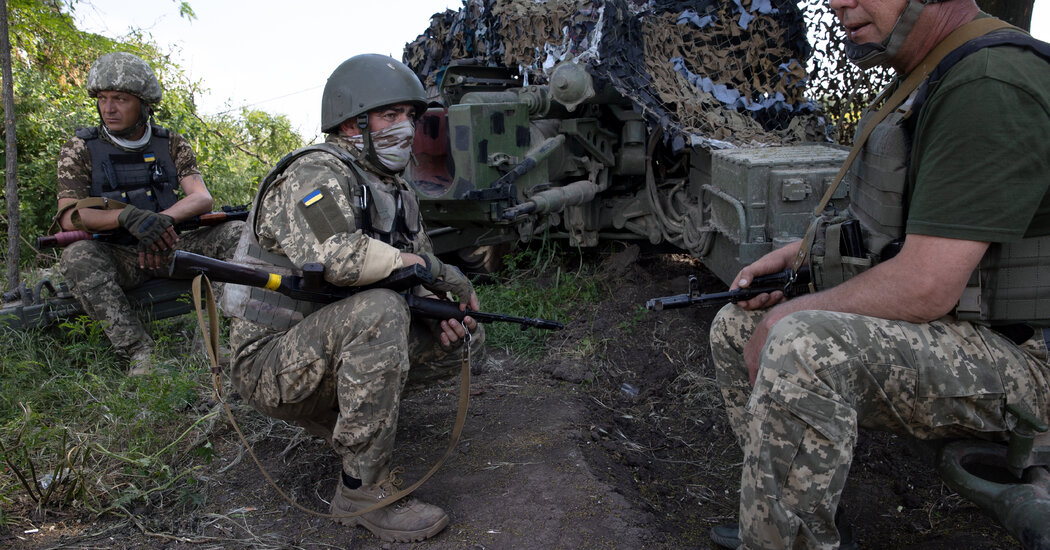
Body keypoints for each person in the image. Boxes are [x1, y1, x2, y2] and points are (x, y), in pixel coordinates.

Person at [707, 1, 1050, 548]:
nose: (839, 2)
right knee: (738, 326)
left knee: (799, 343)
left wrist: (792, 316)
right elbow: (907, 234)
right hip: (973, 330)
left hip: (1028, 358)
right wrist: (801, 255)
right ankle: (785, 526)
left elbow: (926, 284)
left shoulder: (989, 83)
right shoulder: (931, 70)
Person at [219, 53, 486, 543]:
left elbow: (415, 266)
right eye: (390, 115)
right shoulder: (313, 174)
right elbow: (338, 257)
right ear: (350, 122)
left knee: (463, 338)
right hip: (271, 361)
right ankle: (361, 492)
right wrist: (438, 271)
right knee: (380, 314)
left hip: (325, 342)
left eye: (410, 115)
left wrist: (443, 305)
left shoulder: (394, 188)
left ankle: (352, 422)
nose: (405, 129)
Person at [55, 52, 244, 375]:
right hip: (123, 256)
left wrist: (162, 221)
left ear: (143, 104)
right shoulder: (80, 148)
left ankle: (225, 337)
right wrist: (127, 218)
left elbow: (201, 198)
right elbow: (70, 215)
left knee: (238, 234)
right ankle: (140, 353)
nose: (108, 108)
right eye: (102, 99)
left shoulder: (170, 143)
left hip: (172, 247)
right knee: (78, 256)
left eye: (120, 99)